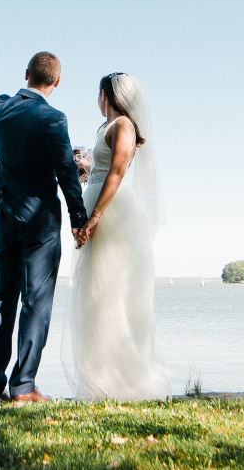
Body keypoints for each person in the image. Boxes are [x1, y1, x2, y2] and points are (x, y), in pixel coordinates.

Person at [0, 51, 87, 404]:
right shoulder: (53, 119)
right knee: (36, 302)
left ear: (26, 73)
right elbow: (66, 173)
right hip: (40, 222)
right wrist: (78, 219)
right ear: (57, 82)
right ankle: (23, 386)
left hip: (4, 216)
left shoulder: (2, 109)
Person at [69, 72, 171, 401]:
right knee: (96, 295)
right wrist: (84, 167)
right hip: (97, 206)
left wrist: (96, 216)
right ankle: (102, 378)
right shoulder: (104, 129)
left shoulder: (124, 125)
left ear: (106, 95)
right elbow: (101, 169)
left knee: (111, 295)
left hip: (112, 216)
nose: (96, 100)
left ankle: (125, 380)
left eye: (98, 94)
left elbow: (117, 171)